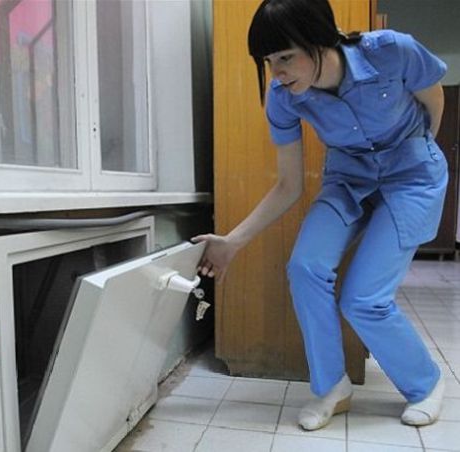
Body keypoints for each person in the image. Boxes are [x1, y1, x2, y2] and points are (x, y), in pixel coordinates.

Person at [192, 0, 448, 431]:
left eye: (285, 57)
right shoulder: (283, 99)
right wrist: (232, 241)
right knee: (305, 267)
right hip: (348, 181)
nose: (277, 72)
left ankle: (425, 383)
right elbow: (288, 185)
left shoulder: (391, 50)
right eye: (268, 61)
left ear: (319, 39)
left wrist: (420, 154)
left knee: (363, 299)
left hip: (411, 179)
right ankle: (331, 387)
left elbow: (433, 102)